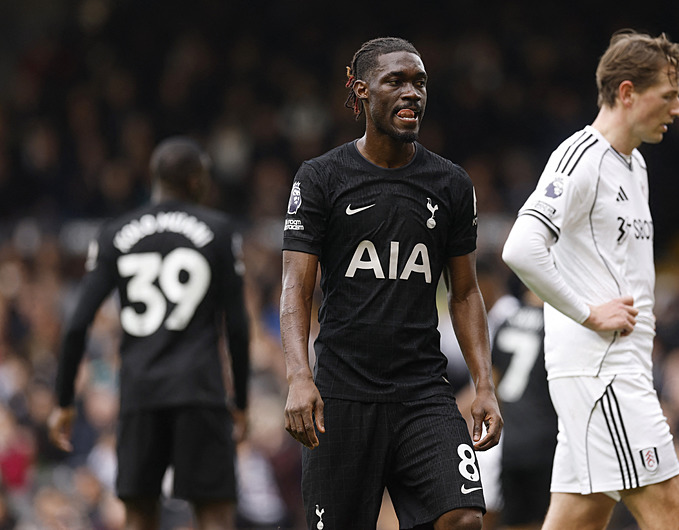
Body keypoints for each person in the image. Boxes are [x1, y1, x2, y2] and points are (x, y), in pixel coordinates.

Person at [280, 36, 503, 530]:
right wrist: (299, 375)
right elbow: (296, 288)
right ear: (360, 91)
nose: (413, 93)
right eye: (396, 81)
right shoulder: (320, 177)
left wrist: (484, 384)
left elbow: (465, 292)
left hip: (423, 390)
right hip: (341, 393)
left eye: (420, 83)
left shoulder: (450, 184)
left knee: (463, 519)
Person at [502, 30, 679, 529]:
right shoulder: (580, 158)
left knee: (578, 520)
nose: (677, 110)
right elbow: (521, 247)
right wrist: (588, 312)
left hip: (614, 370)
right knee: (675, 517)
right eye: (668, 96)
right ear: (627, 92)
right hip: (603, 374)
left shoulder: (636, 165)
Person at [49, 137, 250, 530]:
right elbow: (237, 326)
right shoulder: (220, 230)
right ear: (196, 181)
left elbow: (77, 324)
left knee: (139, 516)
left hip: (141, 393)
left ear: (156, 179)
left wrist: (64, 401)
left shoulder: (115, 232)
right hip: (199, 390)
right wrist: (240, 401)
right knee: (214, 512)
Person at [491, 290, 557, 530]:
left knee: (513, 523)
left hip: (511, 443)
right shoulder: (557, 324)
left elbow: (493, 383)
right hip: (547, 442)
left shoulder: (506, 321)